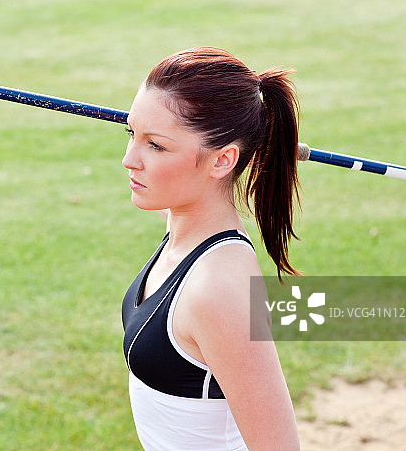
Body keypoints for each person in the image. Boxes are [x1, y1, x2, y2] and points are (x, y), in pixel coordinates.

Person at [120, 47, 301, 450]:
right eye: (131, 134)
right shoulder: (188, 227)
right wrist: (154, 132)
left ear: (222, 161)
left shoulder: (217, 290)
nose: (129, 159)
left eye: (156, 146)